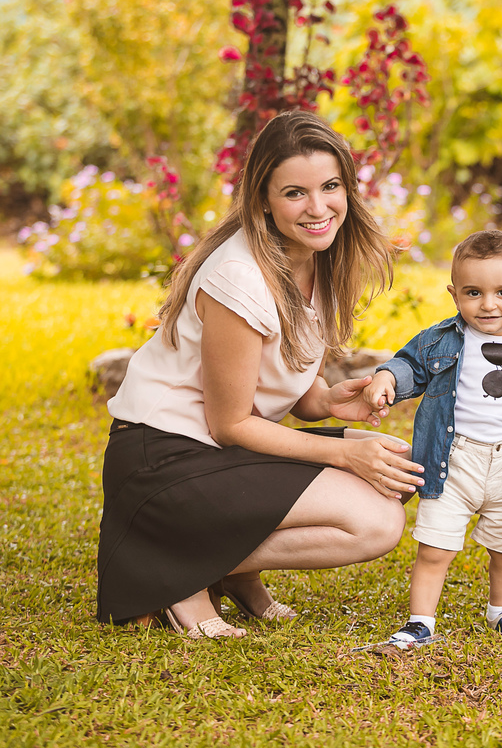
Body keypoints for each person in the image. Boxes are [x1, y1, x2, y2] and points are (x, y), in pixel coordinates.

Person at [97, 111, 424, 639]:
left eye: (331, 186)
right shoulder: (239, 278)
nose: (318, 208)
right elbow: (229, 423)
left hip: (220, 455)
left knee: (395, 464)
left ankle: (228, 565)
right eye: (295, 192)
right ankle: (178, 562)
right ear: (262, 201)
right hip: (163, 459)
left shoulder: (318, 258)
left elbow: (287, 389)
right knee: (376, 521)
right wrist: (342, 452)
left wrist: (327, 401)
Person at [361, 231, 502, 645]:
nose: (489, 304)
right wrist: (387, 377)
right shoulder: (442, 340)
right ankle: (420, 621)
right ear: (454, 293)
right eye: (474, 292)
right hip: (453, 461)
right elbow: (410, 364)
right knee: (435, 548)